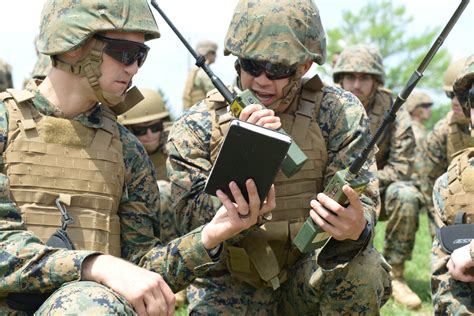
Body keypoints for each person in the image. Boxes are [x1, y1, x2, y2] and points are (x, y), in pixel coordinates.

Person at [0, 0, 275, 314]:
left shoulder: (126, 151)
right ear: (74, 45)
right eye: (124, 54)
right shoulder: (5, 126)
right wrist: (96, 266)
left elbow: (141, 269)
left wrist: (213, 234)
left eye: (141, 56)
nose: (133, 68)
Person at [167, 0, 391, 314]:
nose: (261, 80)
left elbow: (363, 200)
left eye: (278, 70)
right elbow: (186, 222)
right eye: (252, 65)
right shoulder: (197, 124)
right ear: (236, 60)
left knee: (364, 267)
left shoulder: (339, 113)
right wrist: (244, 153)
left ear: (305, 66)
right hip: (232, 282)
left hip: (308, 272)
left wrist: (357, 227)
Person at [333, 44, 419, 309]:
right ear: (341, 79)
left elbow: (403, 166)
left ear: (376, 81)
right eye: (350, 77)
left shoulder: (395, 107)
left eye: (365, 78)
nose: (356, 84)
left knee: (406, 194)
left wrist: (366, 181)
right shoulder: (329, 104)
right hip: (332, 187)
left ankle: (397, 275)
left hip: (380, 186)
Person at [182, 40, 218, 110]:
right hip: (203, 112)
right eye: (213, 52)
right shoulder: (204, 72)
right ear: (207, 53)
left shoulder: (195, 70)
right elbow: (214, 94)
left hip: (195, 112)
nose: (216, 55)